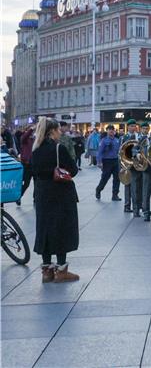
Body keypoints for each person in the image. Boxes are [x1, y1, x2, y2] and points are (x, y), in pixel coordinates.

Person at [31, 117, 80, 283]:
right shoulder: (59, 148)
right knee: (61, 228)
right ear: (52, 131)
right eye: (58, 130)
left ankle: (46, 271)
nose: (60, 132)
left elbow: (34, 172)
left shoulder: (36, 150)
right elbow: (73, 170)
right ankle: (61, 271)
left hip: (42, 193)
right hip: (60, 193)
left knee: (44, 228)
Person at [95, 125, 121, 200]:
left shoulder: (117, 140)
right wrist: (99, 162)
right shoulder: (104, 140)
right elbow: (99, 152)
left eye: (112, 130)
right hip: (107, 161)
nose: (111, 131)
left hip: (115, 161)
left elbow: (119, 151)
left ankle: (115, 195)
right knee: (105, 178)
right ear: (107, 131)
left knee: (117, 178)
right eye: (109, 130)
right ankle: (98, 190)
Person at [18, 124, 35, 204]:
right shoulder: (24, 138)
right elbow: (25, 136)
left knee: (37, 182)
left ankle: (36, 199)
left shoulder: (34, 139)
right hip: (26, 164)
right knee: (26, 183)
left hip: (34, 163)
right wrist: (31, 129)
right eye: (29, 130)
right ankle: (18, 197)